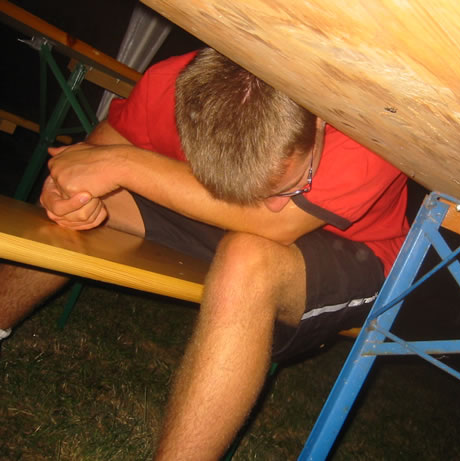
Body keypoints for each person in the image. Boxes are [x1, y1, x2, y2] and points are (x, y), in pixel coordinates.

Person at [0, 48, 409, 460]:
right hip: (227, 226)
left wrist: (122, 163)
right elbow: (91, 160)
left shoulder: (371, 125)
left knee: (247, 258)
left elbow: (276, 224)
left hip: (356, 252)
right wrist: (68, 193)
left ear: (318, 121)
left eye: (292, 185)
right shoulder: (169, 85)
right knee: (91, 203)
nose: (272, 203)